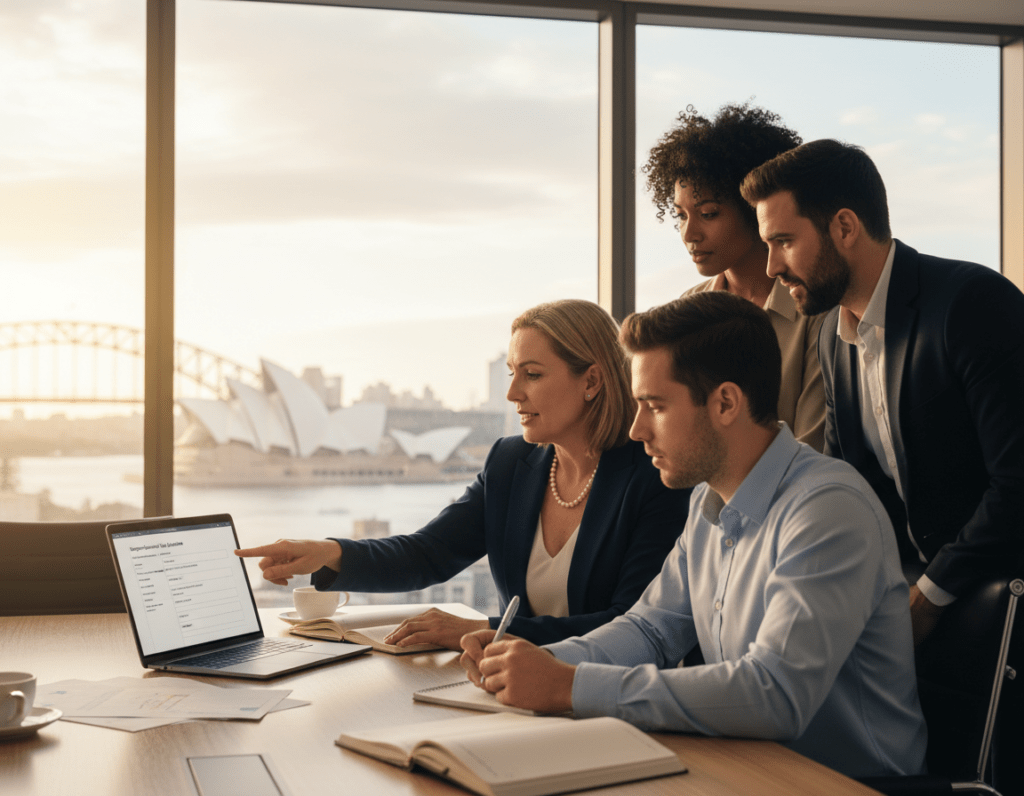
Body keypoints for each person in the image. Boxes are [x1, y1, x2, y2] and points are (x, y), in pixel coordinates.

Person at [460, 292, 926, 780]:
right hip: (741, 769)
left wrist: (571, 686)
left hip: (845, 785)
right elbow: (650, 629)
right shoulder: (708, 504)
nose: (637, 430)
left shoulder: (827, 510)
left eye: (654, 406)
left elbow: (775, 695)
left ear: (725, 402)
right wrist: (532, 664)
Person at [236, 299, 690, 650]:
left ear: (591, 381)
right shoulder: (512, 463)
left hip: (606, 697)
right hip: (517, 687)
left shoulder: (654, 475)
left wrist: (483, 630)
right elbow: (429, 553)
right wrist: (327, 553)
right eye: (512, 373)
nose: (512, 393)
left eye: (531, 374)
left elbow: (631, 625)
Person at [739, 138, 1024, 644]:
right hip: (903, 601)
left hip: (996, 606)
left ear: (844, 227)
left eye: (782, 241)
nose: (771, 268)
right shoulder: (831, 334)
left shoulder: (972, 304)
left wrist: (930, 595)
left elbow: (1018, 483)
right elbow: (847, 486)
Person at [642, 102, 825, 451]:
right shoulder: (687, 311)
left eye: (709, 213)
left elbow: (813, 450)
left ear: (756, 210)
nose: (689, 233)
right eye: (681, 215)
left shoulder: (814, 311)